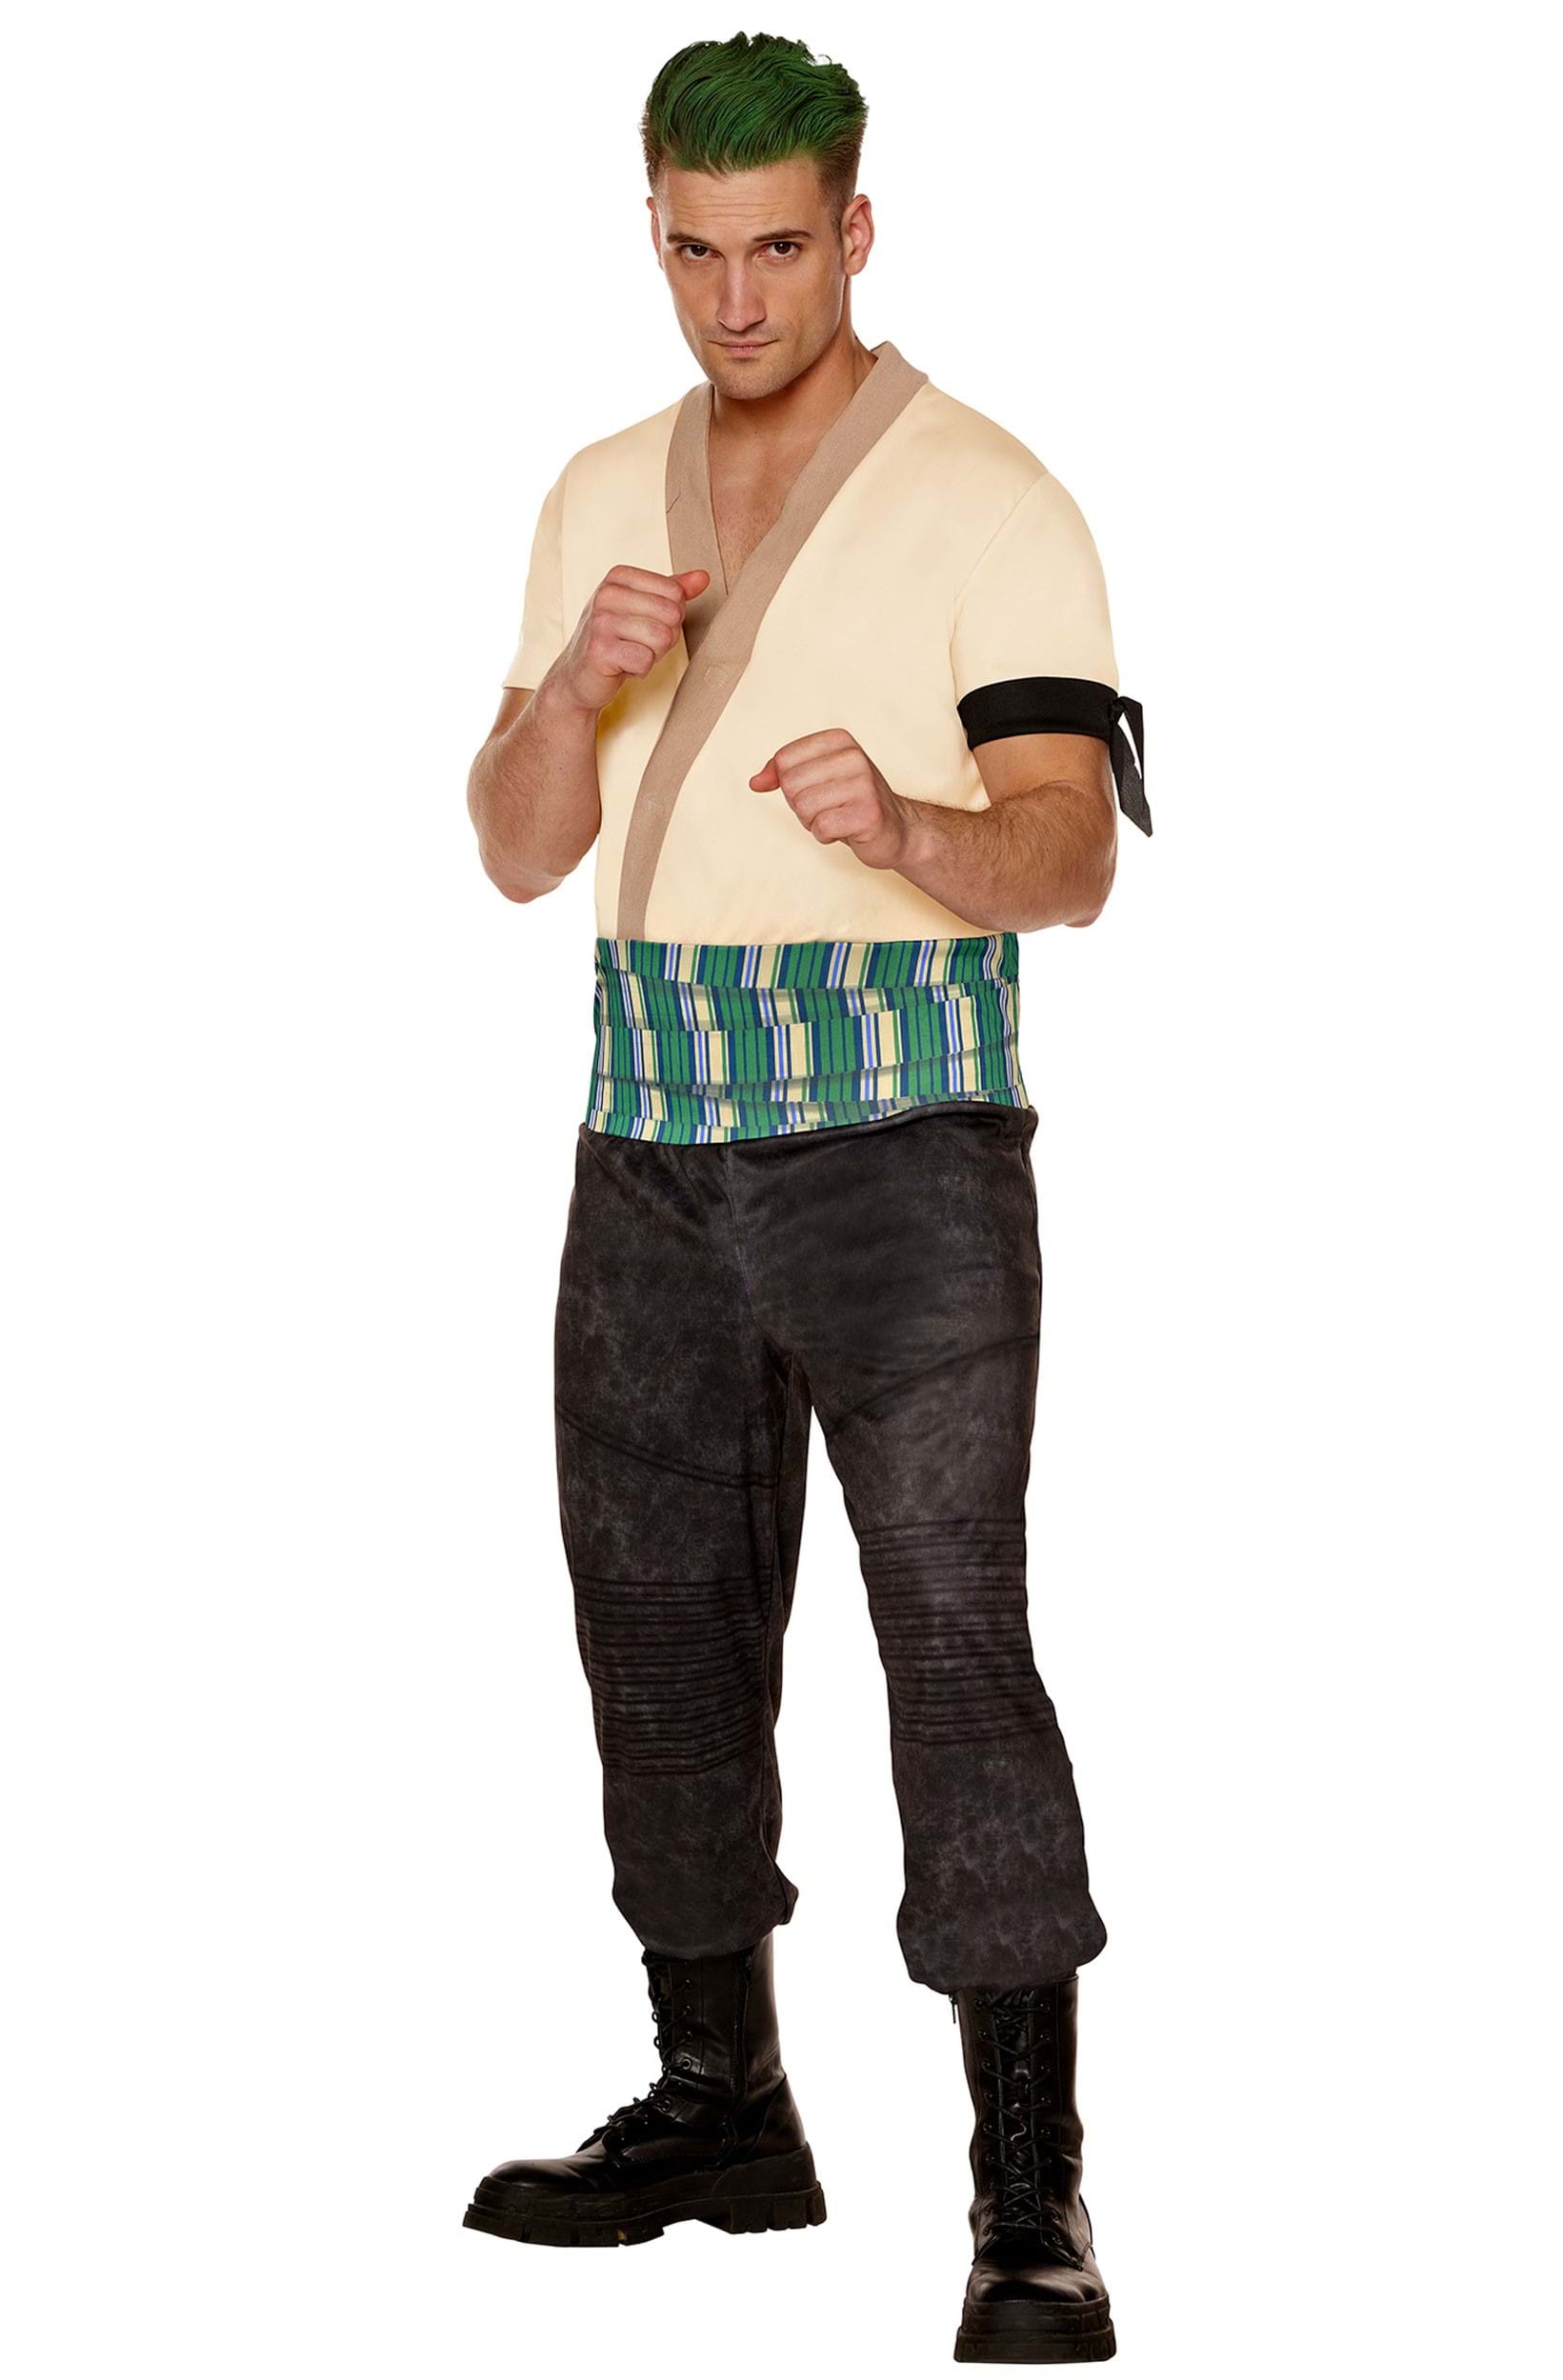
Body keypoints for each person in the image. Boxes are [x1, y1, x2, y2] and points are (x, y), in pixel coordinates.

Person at [458, 31, 1148, 2367]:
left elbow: (1067, 858)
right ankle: (718, 2101)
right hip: (646, 1129)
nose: (733, 299)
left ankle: (1028, 2191)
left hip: (904, 1141)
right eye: (691, 249)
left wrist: (907, 829)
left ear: (855, 229)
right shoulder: (594, 491)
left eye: (774, 248)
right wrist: (567, 685)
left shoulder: (990, 495)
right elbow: (518, 848)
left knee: (951, 1641)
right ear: (648, 231)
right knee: (652, 1629)